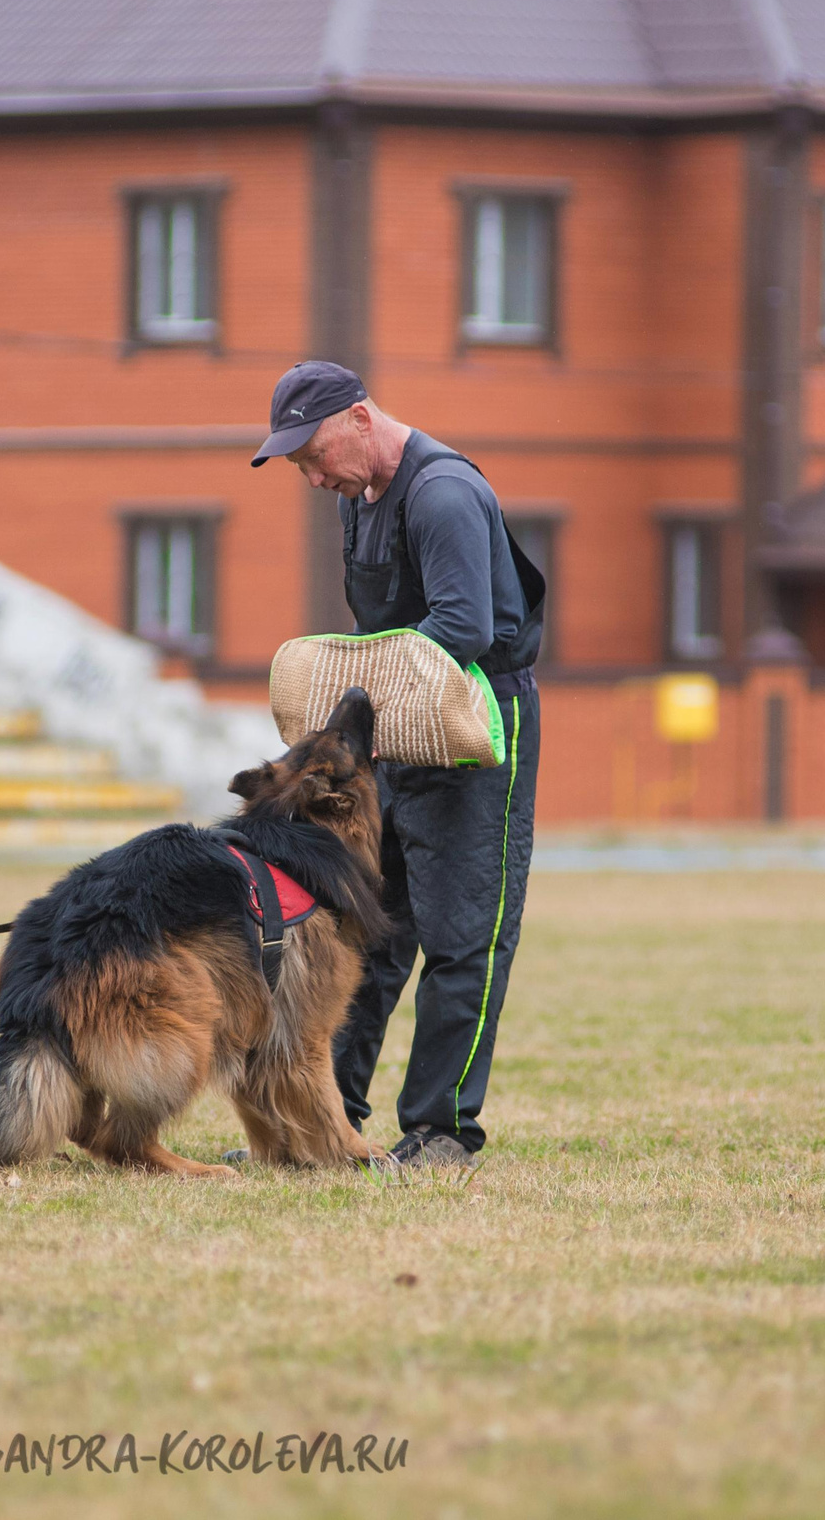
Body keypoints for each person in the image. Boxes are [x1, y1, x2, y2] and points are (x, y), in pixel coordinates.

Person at [251, 360, 544, 1174]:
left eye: (312, 454)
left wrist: (361, 700)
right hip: (399, 734)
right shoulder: (361, 498)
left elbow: (465, 626)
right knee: (368, 931)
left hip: (475, 730)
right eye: (298, 464)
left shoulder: (442, 491)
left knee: (464, 936)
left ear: (358, 418)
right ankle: (324, 1120)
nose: (311, 475)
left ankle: (444, 1130)